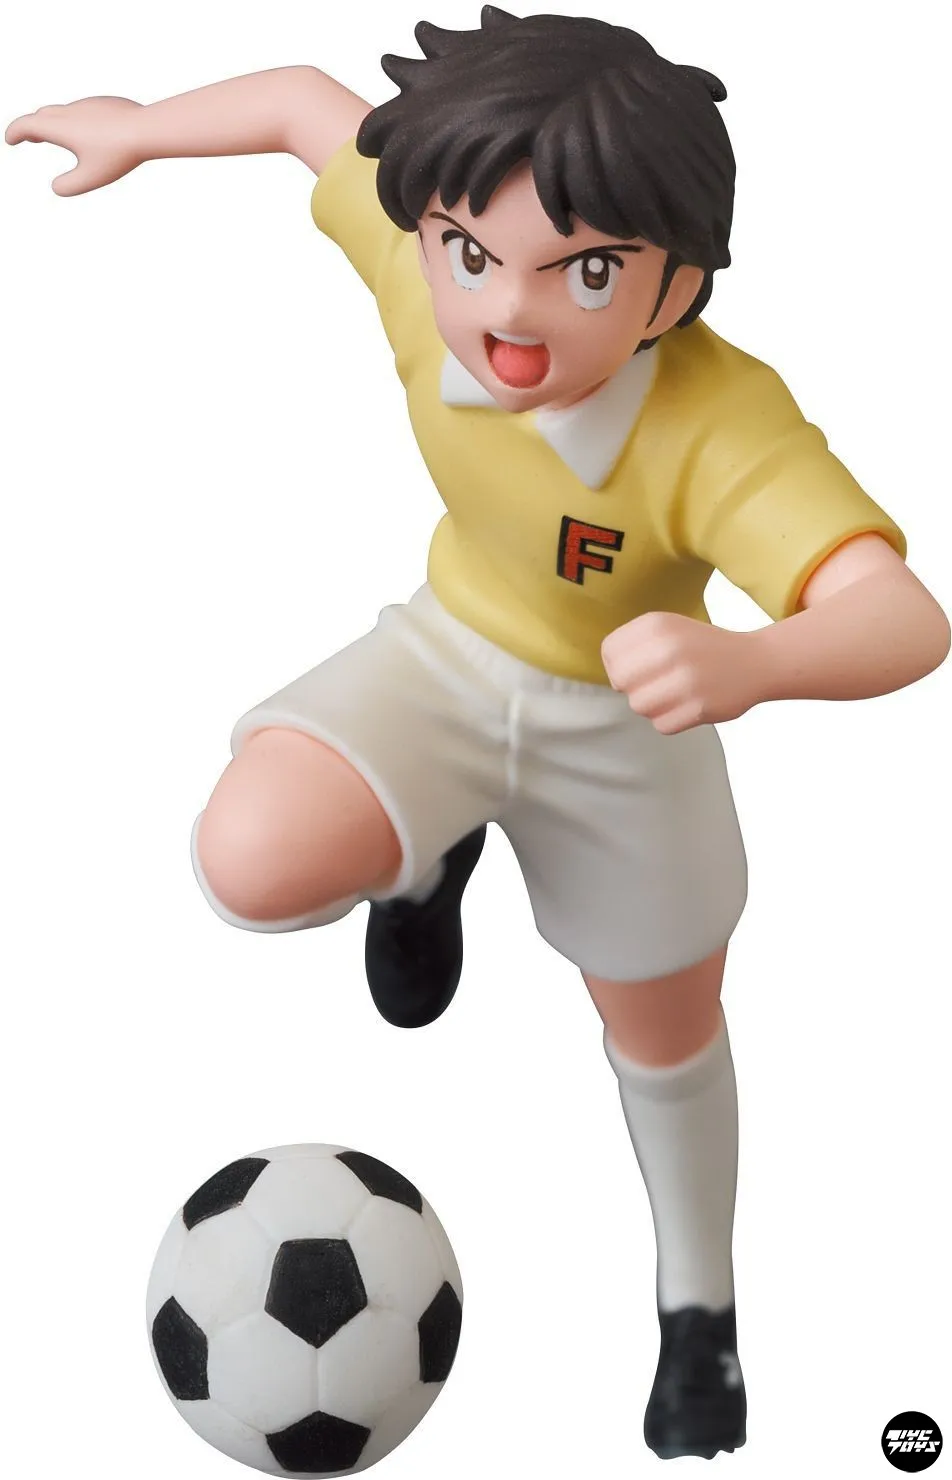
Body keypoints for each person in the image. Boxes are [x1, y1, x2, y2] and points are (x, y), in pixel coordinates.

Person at [8, 7, 949, 1461]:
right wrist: (141, 125)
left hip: (626, 728)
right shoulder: (423, 267)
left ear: (677, 282)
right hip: (446, 657)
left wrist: (751, 660)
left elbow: (903, 618)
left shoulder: (722, 424)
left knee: (665, 1031)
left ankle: (698, 1305)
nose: (509, 313)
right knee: (249, 860)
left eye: (587, 270)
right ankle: (423, 856)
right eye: (469, 252)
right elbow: (302, 104)